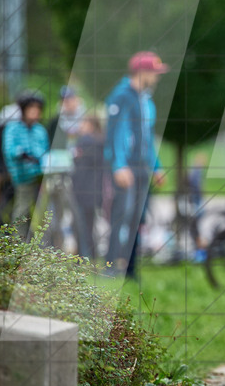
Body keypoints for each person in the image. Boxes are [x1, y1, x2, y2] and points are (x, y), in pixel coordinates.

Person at [105, 51, 168, 278]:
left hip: (142, 168)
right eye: (155, 72)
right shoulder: (121, 96)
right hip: (126, 168)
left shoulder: (147, 101)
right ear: (142, 72)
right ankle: (110, 266)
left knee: (138, 218)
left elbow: (148, 139)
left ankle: (130, 268)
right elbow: (114, 134)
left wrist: (157, 167)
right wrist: (119, 166)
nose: (157, 77)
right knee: (121, 216)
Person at [2, 91, 49, 240]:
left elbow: (45, 151)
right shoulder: (13, 128)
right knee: (22, 210)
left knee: (43, 212)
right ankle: (18, 242)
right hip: (22, 178)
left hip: (40, 177)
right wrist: (23, 154)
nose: (35, 112)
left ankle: (41, 244)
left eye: (37, 108)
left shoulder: (40, 130)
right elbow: (9, 150)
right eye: (31, 108)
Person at [71, 115, 107, 259]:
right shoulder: (101, 142)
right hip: (94, 191)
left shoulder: (85, 141)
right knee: (90, 225)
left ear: (90, 125)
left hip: (82, 190)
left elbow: (77, 165)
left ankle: (83, 257)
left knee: (80, 226)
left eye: (83, 122)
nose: (80, 126)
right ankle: (91, 255)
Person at [46, 85, 85, 151]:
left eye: (69, 99)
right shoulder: (54, 122)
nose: (66, 103)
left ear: (76, 99)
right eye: (63, 100)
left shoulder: (87, 119)